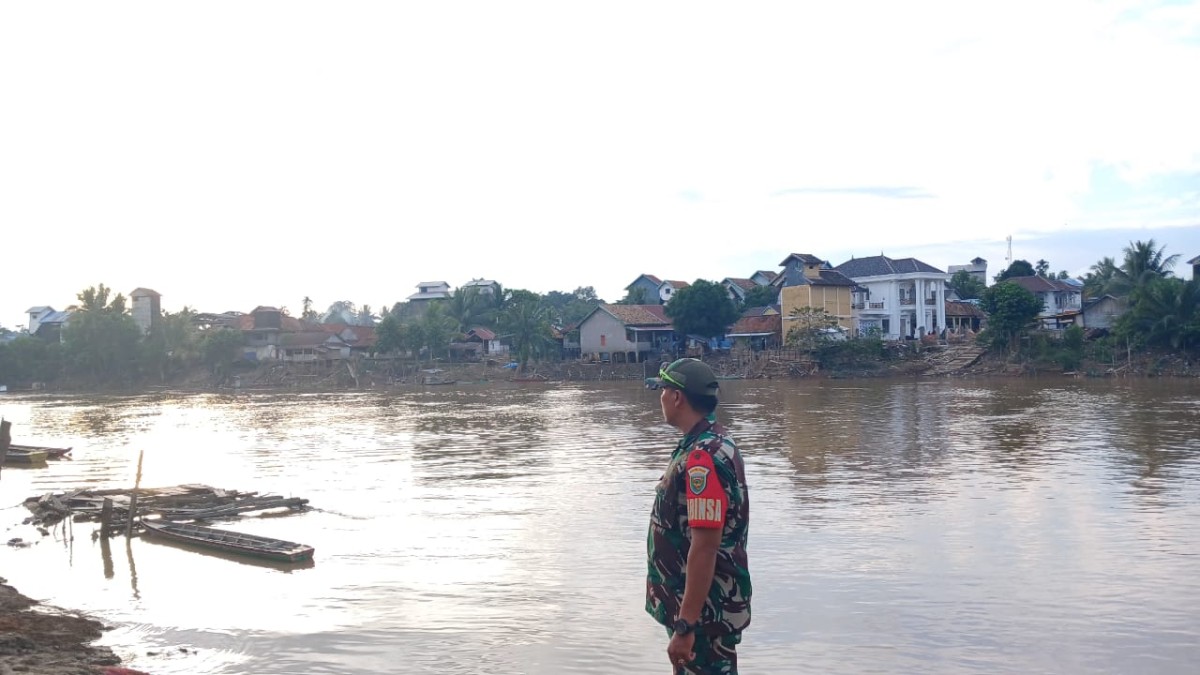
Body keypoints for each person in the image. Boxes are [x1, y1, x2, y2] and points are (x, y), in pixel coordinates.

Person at [646, 358, 751, 674]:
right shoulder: (713, 443)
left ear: (676, 397)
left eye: (662, 390)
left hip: (705, 616)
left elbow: (705, 545)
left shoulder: (703, 459)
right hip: (702, 609)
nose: (660, 398)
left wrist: (685, 626)